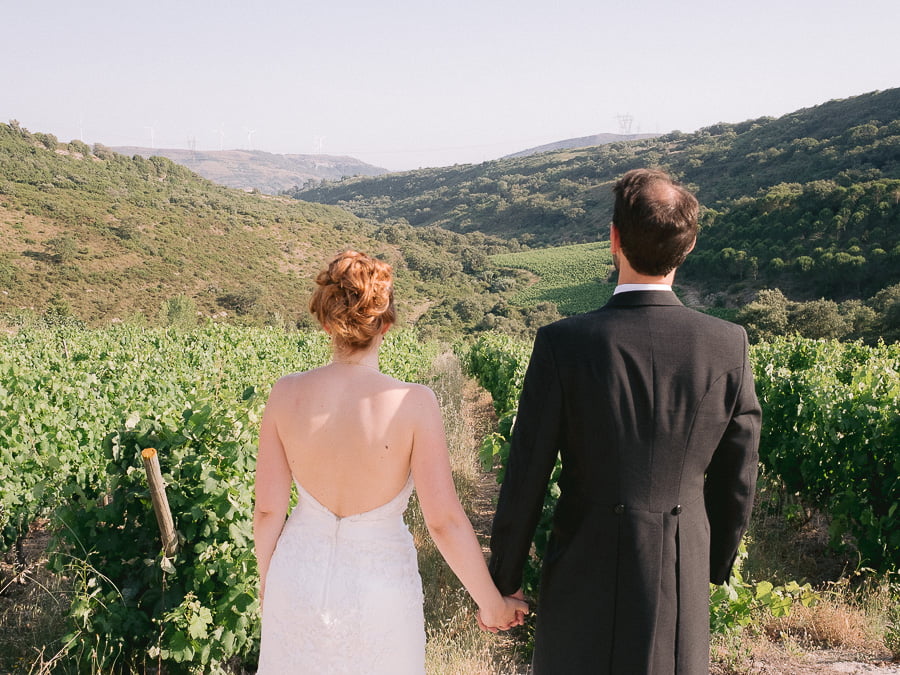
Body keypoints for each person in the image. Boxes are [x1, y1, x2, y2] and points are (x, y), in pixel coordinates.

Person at [488, 168, 761, 674]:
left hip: (582, 567)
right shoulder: (729, 345)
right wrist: (710, 564)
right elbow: (739, 475)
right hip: (679, 571)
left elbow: (527, 472)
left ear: (613, 239)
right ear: (689, 245)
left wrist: (504, 579)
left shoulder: (563, 343)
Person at [253, 250, 527, 674]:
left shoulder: (285, 393)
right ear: (386, 323)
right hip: (379, 589)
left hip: (296, 577)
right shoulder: (413, 402)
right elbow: (443, 522)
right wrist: (492, 604)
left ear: (326, 322)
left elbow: (268, 511)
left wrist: (268, 582)